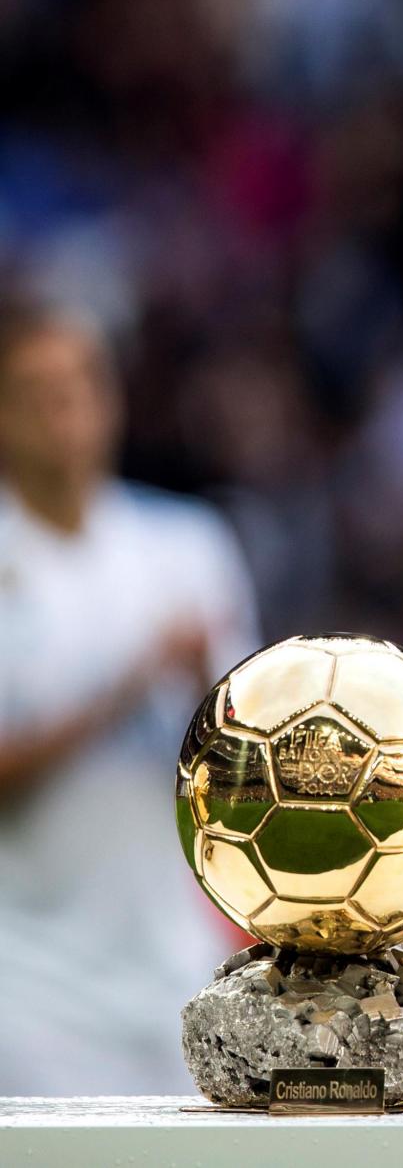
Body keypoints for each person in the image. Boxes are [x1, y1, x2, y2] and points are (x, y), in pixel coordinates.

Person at [0, 301, 259, 1094]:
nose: (64, 409)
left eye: (81, 383)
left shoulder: (187, 547)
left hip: (173, 961)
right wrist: (127, 684)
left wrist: (201, 699)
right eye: (36, 390)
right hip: (25, 974)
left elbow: (254, 775)